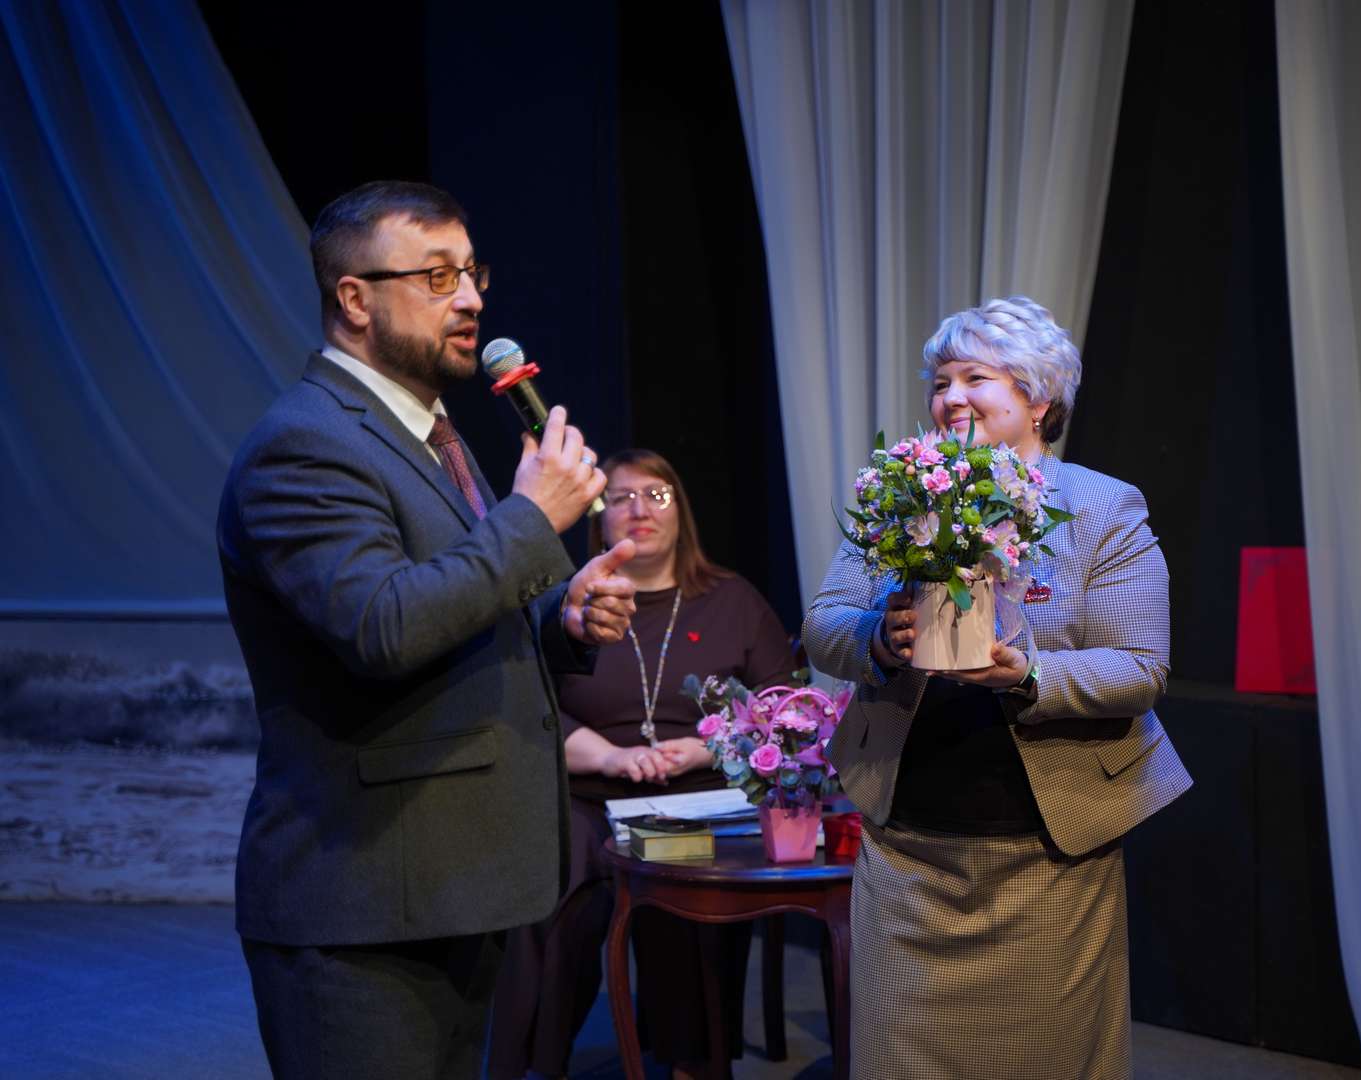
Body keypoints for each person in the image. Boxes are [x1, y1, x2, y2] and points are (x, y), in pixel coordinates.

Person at [217, 180, 639, 1078]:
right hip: (363, 902)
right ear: (355, 298)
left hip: (449, 886)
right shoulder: (305, 446)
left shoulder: (428, 434)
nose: (472, 298)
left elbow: (453, 608)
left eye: (473, 272)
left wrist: (558, 621)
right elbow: (383, 625)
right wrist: (533, 519)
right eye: (438, 276)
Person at [802, 296, 1192, 1079]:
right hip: (907, 850)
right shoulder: (900, 495)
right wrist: (879, 636)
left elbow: (1140, 667)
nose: (951, 397)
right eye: (940, 382)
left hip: (1047, 860)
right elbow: (823, 624)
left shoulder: (1101, 507)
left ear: (1038, 397)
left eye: (974, 378)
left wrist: (1031, 674)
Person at [489, 448, 799, 1080]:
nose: (639, 509)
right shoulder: (567, 604)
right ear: (598, 518)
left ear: (681, 510)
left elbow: (784, 707)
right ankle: (533, 1064)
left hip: (701, 792)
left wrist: (709, 746)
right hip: (587, 794)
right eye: (621, 497)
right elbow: (525, 706)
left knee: (693, 890)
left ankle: (693, 1062)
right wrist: (609, 754)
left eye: (656, 495)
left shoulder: (732, 599)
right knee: (548, 891)